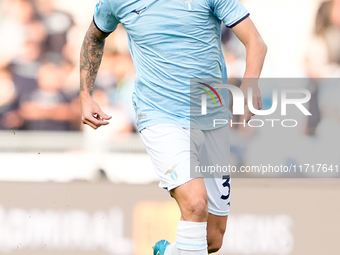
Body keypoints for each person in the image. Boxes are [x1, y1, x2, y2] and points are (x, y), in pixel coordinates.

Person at [80, 0, 266, 254]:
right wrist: (85, 95)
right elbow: (94, 37)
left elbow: (256, 42)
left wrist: (250, 84)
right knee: (196, 204)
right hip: (160, 116)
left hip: (211, 116)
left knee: (213, 239)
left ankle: (168, 252)